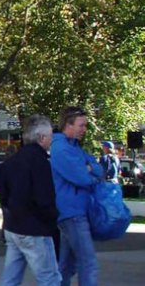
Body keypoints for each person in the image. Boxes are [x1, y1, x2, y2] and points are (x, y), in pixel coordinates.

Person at [0, 115, 62, 286]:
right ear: (42, 138)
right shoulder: (40, 162)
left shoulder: (12, 161)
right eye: (50, 136)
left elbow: (2, 192)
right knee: (50, 278)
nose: (51, 139)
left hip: (13, 227)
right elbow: (44, 198)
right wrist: (52, 219)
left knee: (10, 278)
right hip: (35, 228)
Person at [51, 106, 103, 286]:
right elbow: (82, 178)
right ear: (68, 125)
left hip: (73, 212)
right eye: (81, 125)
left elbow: (97, 167)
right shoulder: (62, 149)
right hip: (72, 213)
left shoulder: (73, 148)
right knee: (88, 262)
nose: (84, 130)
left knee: (67, 266)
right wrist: (90, 171)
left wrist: (90, 169)